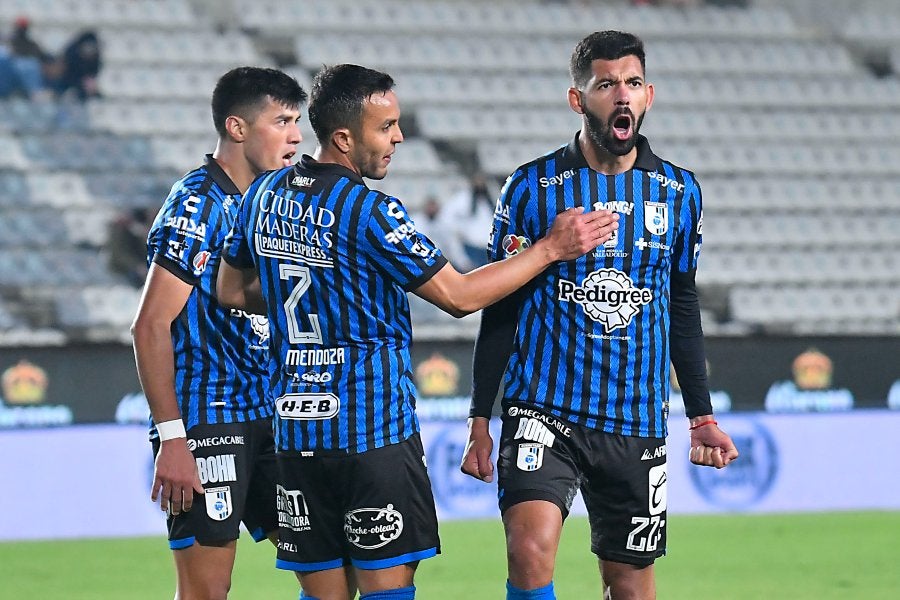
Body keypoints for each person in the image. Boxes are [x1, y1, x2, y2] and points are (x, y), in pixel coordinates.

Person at [215, 63, 618, 600]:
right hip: (370, 433)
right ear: (343, 137)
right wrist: (550, 248)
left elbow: (230, 291)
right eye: (385, 128)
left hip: (296, 432)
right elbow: (459, 296)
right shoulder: (368, 210)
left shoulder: (263, 195)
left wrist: (322, 283)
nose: (398, 137)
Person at [460, 31, 739, 600]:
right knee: (529, 549)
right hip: (543, 406)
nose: (621, 96)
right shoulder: (532, 187)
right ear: (578, 98)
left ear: (649, 95)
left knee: (630, 586)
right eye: (605, 84)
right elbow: (501, 307)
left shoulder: (679, 192)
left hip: (633, 418)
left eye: (632, 84)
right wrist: (480, 417)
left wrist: (701, 414)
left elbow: (681, 305)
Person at [130, 66, 306, 600]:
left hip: (274, 417)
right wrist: (173, 439)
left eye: (298, 121)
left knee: (328, 571)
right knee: (208, 591)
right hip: (209, 421)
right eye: (281, 121)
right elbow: (150, 324)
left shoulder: (276, 201)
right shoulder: (197, 203)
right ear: (237, 127)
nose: (296, 136)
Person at [107, 206, 153, 287]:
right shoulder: (119, 232)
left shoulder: (130, 232)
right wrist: (137, 266)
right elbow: (121, 255)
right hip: (124, 269)